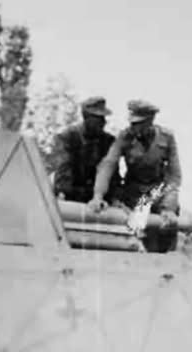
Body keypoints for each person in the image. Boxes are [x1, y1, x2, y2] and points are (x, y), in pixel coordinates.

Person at [87, 99, 182, 252]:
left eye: (138, 123)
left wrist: (169, 207)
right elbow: (108, 164)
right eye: (132, 122)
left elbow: (174, 176)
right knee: (129, 239)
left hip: (158, 193)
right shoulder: (125, 136)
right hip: (133, 194)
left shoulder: (167, 137)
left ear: (150, 121)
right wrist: (98, 195)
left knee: (165, 235)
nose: (133, 127)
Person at [51, 96, 120, 203]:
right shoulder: (67, 137)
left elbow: (113, 175)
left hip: (99, 199)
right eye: (99, 118)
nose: (103, 122)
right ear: (87, 117)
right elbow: (64, 170)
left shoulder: (108, 142)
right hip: (71, 196)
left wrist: (114, 198)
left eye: (103, 118)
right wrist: (64, 192)